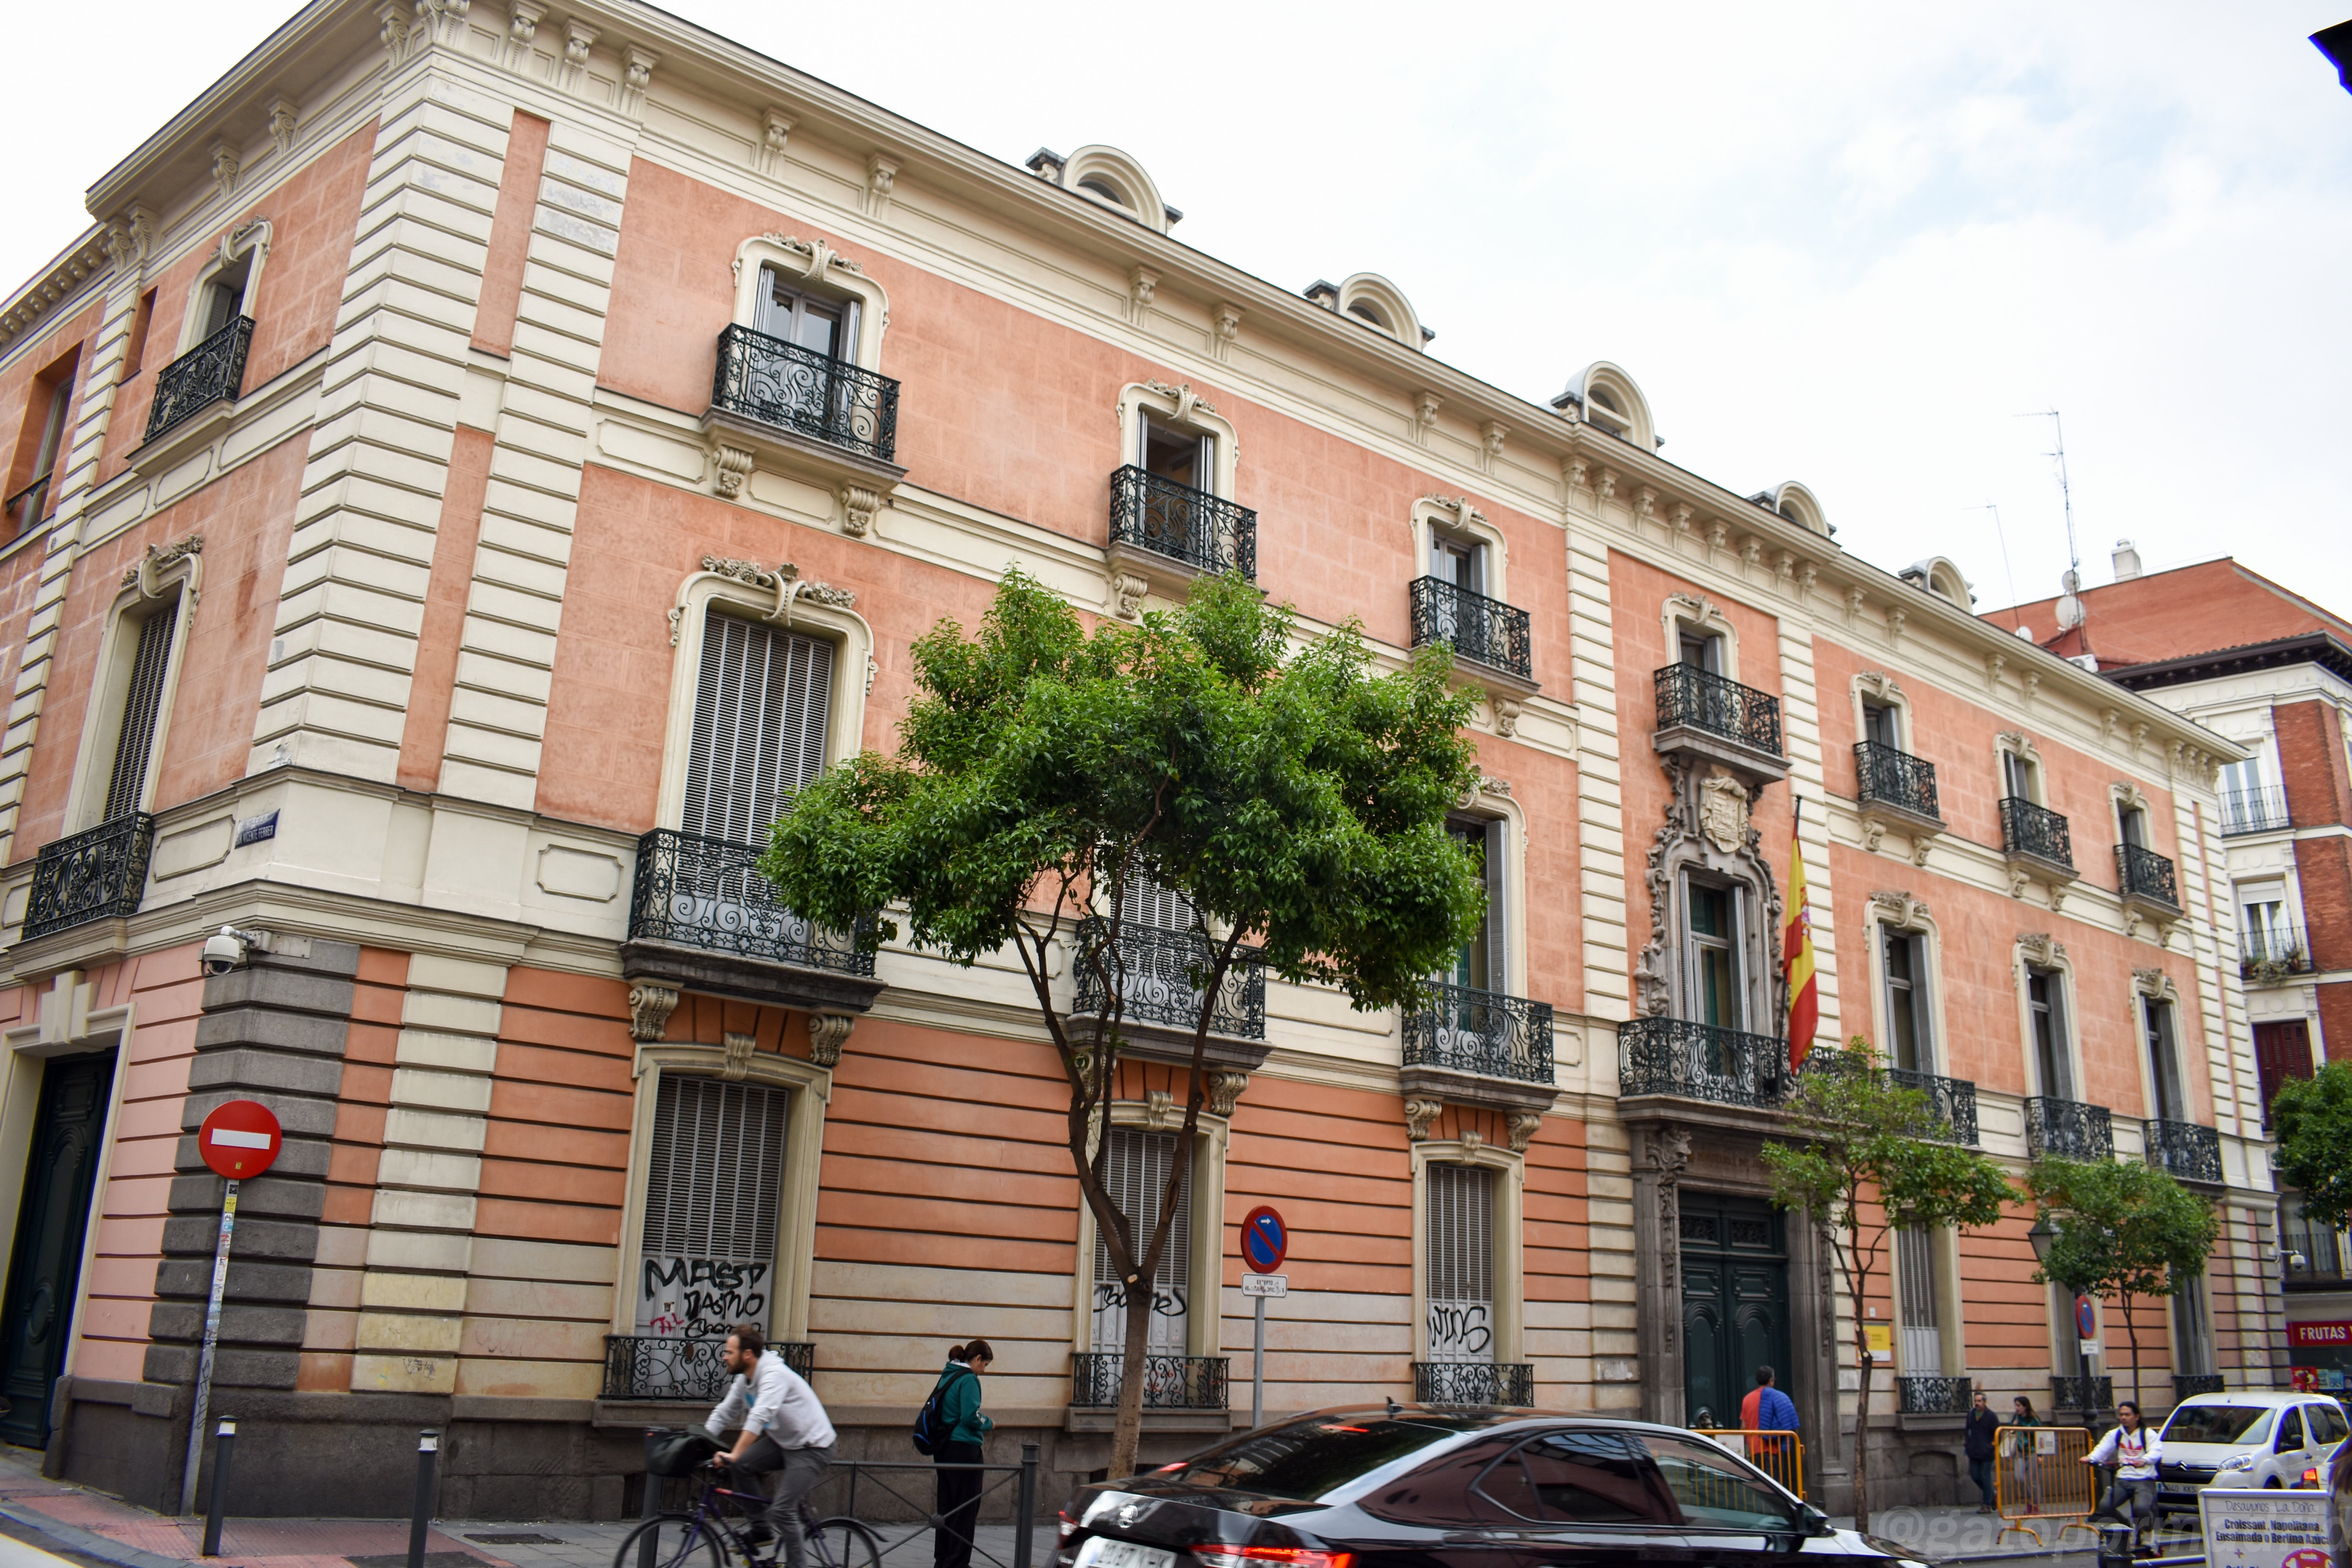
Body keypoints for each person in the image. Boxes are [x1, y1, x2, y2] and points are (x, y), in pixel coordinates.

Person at [707, 1321, 838, 1568]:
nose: (725, 1357)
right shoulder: (744, 1381)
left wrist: (734, 1453)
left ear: (747, 1355)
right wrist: (699, 1443)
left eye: (730, 1352)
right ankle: (761, 1530)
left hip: (812, 1447)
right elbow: (724, 1413)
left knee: (782, 1511)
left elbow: (760, 1416)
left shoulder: (773, 1375)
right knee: (743, 1465)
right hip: (785, 1442)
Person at [931, 1341, 996, 1568]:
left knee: (946, 1509)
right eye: (985, 1365)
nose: (984, 1371)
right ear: (977, 1359)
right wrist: (989, 1423)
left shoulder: (948, 1374)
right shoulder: (969, 1379)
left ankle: (943, 1560)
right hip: (964, 1450)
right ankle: (958, 1563)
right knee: (965, 1511)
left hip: (944, 1449)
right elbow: (970, 1416)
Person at [2085, 1400, 2161, 1551]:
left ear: (2137, 1417)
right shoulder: (2117, 1434)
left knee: (2141, 1508)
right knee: (2106, 1506)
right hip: (2123, 1479)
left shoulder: (2148, 1434)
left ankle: (2148, 1534)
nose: (2124, 1418)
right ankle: (2127, 1528)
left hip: (2144, 1479)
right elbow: (2102, 1449)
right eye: (2121, 1415)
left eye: (2127, 1415)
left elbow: (2156, 1452)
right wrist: (2091, 1458)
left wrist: (2144, 1460)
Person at [1738, 1366, 1799, 1479]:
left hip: (1753, 1450)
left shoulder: (1747, 1399)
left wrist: (1745, 1450)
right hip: (1771, 1450)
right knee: (1773, 1487)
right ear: (1771, 1380)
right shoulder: (1776, 1397)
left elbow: (1744, 1427)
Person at [1965, 1389, 2001, 1513]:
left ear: (1985, 1402)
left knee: (1986, 1477)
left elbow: (1998, 1434)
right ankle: (1993, 1494)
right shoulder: (1971, 1414)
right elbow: (1968, 1431)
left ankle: (1986, 1504)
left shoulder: (1991, 1416)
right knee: (1975, 1476)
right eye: (1976, 1401)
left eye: (1980, 1401)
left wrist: (1991, 1447)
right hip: (1974, 1451)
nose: (1977, 1403)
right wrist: (1968, 1445)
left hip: (1987, 1453)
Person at [2010, 1397, 2045, 1511]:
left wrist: (2040, 1456)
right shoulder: (2016, 1418)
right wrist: (2014, 1426)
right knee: (2019, 1477)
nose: (2017, 1408)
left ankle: (2035, 1505)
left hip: (2032, 1451)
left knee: (2033, 1479)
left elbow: (2041, 1437)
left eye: (2019, 1406)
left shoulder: (2034, 1420)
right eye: (2016, 1405)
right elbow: (2010, 1431)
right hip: (2020, 1452)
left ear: (2025, 1407)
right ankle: (2030, 1500)